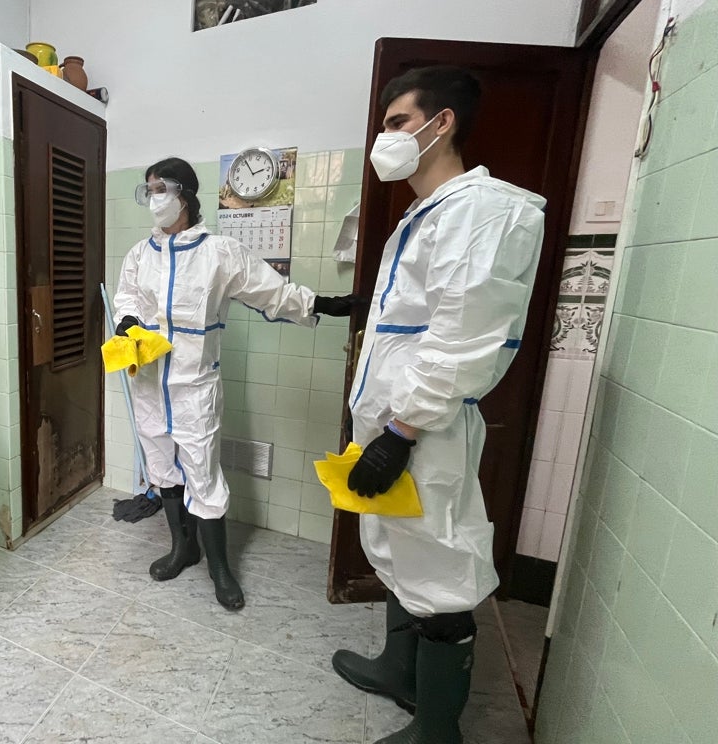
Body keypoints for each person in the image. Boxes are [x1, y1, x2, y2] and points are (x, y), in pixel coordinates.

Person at [331, 67, 545, 744]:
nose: (385, 137)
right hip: (395, 420)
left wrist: (401, 430)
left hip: (424, 427)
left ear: (441, 122)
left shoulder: (482, 210)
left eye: (397, 122)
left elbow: (461, 337)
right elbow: (414, 321)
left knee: (439, 570)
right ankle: (401, 672)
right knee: (395, 551)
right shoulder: (425, 216)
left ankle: (436, 731)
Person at [112, 157, 360, 610]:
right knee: (162, 470)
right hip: (147, 384)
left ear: (184, 193)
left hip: (193, 388)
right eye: (148, 191)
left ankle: (220, 568)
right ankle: (183, 548)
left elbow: (273, 291)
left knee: (203, 476)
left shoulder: (218, 252)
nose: (154, 200)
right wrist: (126, 318)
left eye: (160, 190)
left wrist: (327, 303)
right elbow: (127, 294)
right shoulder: (138, 254)